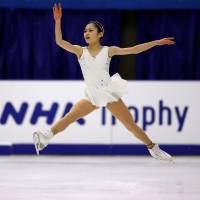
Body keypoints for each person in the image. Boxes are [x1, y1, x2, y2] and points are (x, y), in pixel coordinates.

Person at [33, 3, 175, 161]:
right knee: (70, 116)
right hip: (92, 95)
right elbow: (60, 41)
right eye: (85, 30)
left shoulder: (109, 50)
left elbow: (134, 49)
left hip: (108, 93)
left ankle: (153, 148)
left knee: (130, 126)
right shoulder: (80, 51)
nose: (86, 33)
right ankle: (44, 138)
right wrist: (57, 20)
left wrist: (156, 42)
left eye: (91, 30)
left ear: (100, 34)